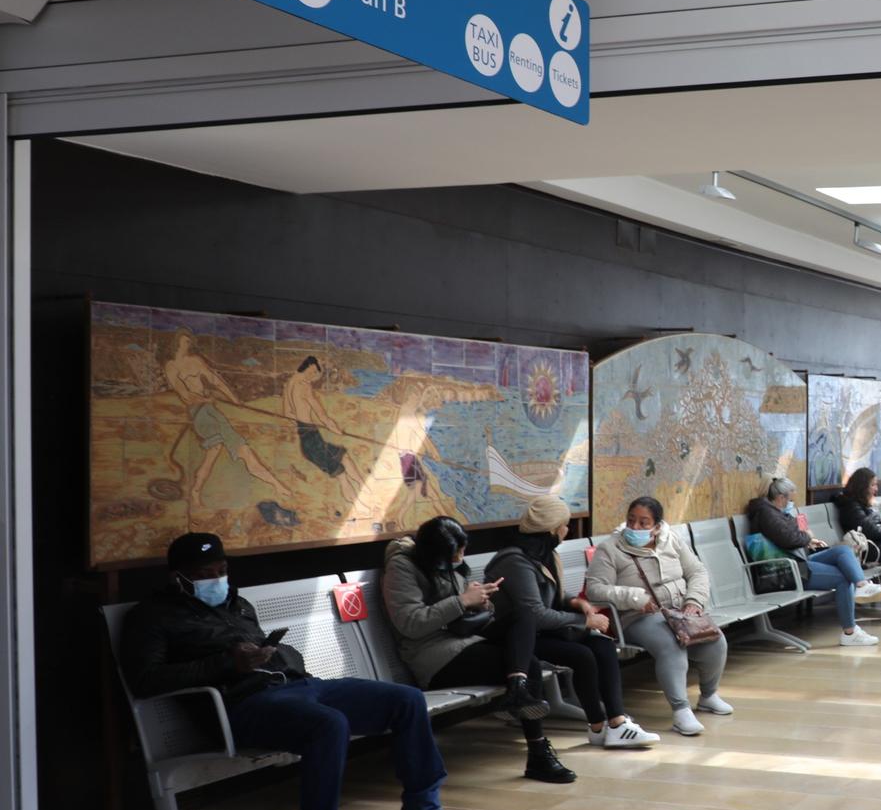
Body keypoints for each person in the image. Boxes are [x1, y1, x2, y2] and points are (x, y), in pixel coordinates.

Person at [120, 532, 472, 810]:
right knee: (328, 726)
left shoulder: (236, 604)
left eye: (222, 569)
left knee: (406, 700)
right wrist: (228, 663)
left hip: (299, 686)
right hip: (244, 705)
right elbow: (146, 679)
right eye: (205, 573)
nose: (217, 579)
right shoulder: (151, 617)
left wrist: (270, 654)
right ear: (179, 577)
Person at [384, 515, 574, 783]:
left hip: (465, 637)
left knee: (524, 615)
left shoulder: (443, 561)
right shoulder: (401, 567)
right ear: (435, 551)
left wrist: (482, 602)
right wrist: (462, 600)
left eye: (463, 549)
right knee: (528, 665)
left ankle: (518, 690)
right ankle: (538, 754)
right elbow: (410, 623)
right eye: (456, 552)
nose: (461, 556)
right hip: (434, 656)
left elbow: (461, 608)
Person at [489, 495, 660, 748]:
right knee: (582, 654)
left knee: (601, 644)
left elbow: (552, 595)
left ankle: (615, 723)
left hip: (542, 631)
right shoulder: (515, 561)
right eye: (564, 525)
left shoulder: (543, 555)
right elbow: (534, 613)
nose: (566, 530)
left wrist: (576, 603)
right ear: (552, 529)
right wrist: (584, 621)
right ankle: (600, 725)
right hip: (517, 639)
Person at [585, 496, 731, 737]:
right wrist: (635, 598)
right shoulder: (610, 548)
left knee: (716, 641)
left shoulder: (670, 540)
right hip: (636, 617)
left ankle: (708, 696)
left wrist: (693, 602)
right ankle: (681, 711)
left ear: (657, 525)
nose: (635, 528)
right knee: (670, 646)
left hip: (679, 611)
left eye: (644, 523)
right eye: (631, 521)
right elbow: (596, 589)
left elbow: (697, 571)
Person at [744, 477, 881, 647]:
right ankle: (850, 632)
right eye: (790, 499)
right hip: (787, 570)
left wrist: (806, 538)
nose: (791, 503)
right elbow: (790, 538)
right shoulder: (767, 514)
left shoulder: (775, 512)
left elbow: (795, 534)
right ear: (781, 498)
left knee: (843, 550)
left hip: (798, 561)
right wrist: (807, 537)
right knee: (844, 578)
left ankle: (862, 585)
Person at [163, 333, 294, 516]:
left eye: (190, 340)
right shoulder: (172, 366)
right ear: (176, 342)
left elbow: (215, 380)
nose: (189, 343)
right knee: (225, 451)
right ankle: (196, 491)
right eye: (186, 340)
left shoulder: (195, 360)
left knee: (233, 451)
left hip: (212, 411)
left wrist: (234, 399)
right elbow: (184, 395)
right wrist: (206, 398)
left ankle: (277, 485)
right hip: (200, 414)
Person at [282, 355, 367, 507]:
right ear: (306, 366)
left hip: (312, 438)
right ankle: (361, 506)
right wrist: (334, 427)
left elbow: (288, 413)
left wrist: (300, 421)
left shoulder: (291, 384)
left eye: (315, 372)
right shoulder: (303, 385)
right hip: (311, 442)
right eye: (312, 371)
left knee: (344, 456)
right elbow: (321, 415)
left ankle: (366, 489)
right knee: (341, 475)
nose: (312, 375)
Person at [833, 468, 881, 553]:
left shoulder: (861, 504)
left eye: (876, 485)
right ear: (862, 487)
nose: (876, 489)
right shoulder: (851, 507)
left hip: (876, 545)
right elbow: (872, 532)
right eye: (872, 485)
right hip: (868, 549)